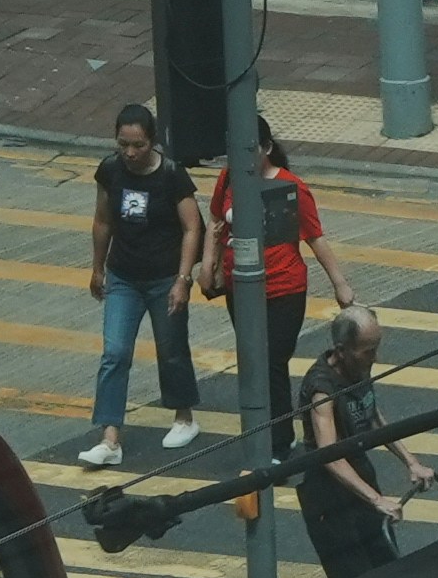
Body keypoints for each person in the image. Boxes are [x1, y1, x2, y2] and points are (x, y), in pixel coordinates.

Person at [78, 102, 201, 467]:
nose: (130, 153)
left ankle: (184, 417)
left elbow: (192, 228)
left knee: (171, 348)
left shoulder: (172, 176)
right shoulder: (110, 171)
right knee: (115, 353)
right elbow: (102, 220)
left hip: (165, 277)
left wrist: (182, 279)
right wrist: (97, 267)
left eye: (138, 146)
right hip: (124, 277)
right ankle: (110, 438)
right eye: (123, 145)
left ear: (153, 142)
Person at [291, 313, 422, 578]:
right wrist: (376, 500)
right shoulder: (322, 390)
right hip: (329, 494)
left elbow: (373, 415)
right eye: (368, 351)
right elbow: (330, 455)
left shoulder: (358, 368)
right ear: (342, 351)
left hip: (360, 475)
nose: (375, 358)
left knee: (388, 569)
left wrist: (411, 462)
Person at [203, 133, 335, 397]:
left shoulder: (291, 186)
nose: (243, 160)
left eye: (251, 151)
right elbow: (216, 221)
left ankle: (280, 435)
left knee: (273, 362)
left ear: (267, 148)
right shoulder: (229, 177)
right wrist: (208, 266)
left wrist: (340, 284)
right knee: (252, 360)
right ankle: (260, 428)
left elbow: (314, 238)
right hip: (239, 285)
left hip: (284, 288)